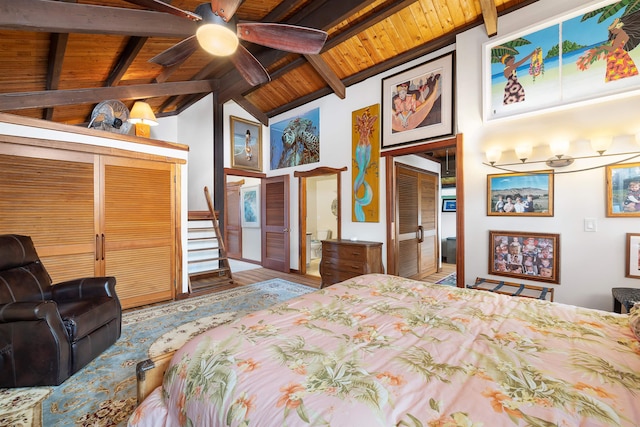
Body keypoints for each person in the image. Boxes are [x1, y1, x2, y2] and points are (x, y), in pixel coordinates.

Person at [601, 17, 639, 82]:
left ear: (618, 27)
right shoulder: (622, 33)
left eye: (614, 29)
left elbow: (613, 49)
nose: (612, 31)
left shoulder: (620, 35)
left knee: (619, 75)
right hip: (621, 56)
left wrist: (603, 47)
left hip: (618, 58)